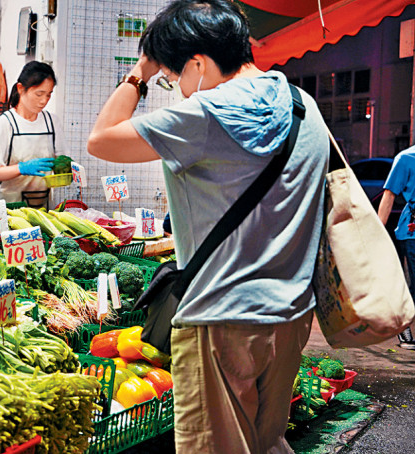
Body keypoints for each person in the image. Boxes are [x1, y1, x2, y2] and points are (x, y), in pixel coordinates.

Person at [87, 1, 329, 452]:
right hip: (291, 314)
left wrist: (138, 73)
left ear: (198, 63)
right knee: (267, 441)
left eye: (173, 76)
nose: (176, 87)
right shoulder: (303, 107)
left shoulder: (202, 114)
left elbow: (100, 139)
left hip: (221, 320)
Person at [0, 61, 67, 208]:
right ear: (20, 89)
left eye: (48, 95)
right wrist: (21, 168)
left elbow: (62, 160)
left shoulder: (52, 122)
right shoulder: (4, 123)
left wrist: (66, 169)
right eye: (39, 94)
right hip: (10, 208)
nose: (44, 101)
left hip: (44, 208)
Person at [378, 147, 415, 350]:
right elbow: (389, 195)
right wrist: (376, 231)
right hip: (412, 233)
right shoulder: (406, 158)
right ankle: (404, 328)